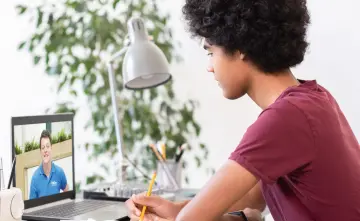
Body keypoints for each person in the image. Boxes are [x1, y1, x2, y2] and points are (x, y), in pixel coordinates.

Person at [126, 0, 360, 220]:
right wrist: (175, 209)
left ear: (239, 47)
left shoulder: (286, 117)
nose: (209, 67)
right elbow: (251, 199)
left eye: (210, 52)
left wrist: (181, 215)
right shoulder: (312, 100)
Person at [29, 130, 69, 199]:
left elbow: (67, 191)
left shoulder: (59, 172)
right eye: (43, 147)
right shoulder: (35, 179)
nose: (45, 150)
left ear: (51, 148)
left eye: (47, 146)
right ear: (40, 151)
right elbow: (31, 207)